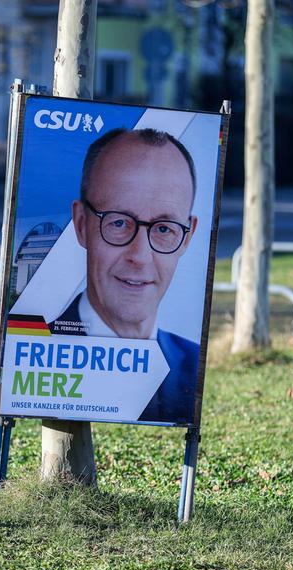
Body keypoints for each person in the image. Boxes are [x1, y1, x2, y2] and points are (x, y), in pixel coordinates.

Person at [49, 128, 200, 423]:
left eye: (164, 228)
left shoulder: (194, 365)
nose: (139, 256)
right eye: (119, 223)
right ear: (81, 224)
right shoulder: (36, 349)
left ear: (187, 238)